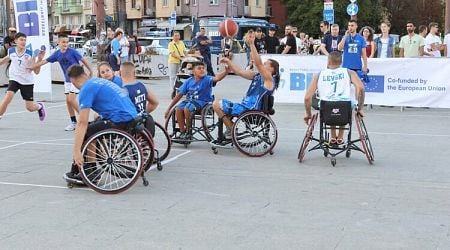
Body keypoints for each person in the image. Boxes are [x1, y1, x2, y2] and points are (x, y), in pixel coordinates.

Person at [64, 65, 138, 182]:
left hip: (120, 119)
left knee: (86, 132)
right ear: (85, 74)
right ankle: (82, 168)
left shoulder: (86, 89)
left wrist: (77, 151)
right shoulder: (96, 81)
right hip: (132, 116)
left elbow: (82, 123)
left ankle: (90, 172)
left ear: (72, 80)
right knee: (93, 126)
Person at [213, 31, 280, 139]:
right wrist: (228, 62)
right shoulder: (257, 76)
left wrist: (252, 44)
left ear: (272, 69)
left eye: (265, 64)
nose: (262, 65)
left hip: (250, 110)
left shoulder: (270, 79)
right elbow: (239, 72)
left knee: (216, 104)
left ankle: (232, 129)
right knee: (223, 107)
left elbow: (258, 63)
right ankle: (231, 128)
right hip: (245, 108)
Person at [29, 34, 94, 131]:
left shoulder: (72, 52)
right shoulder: (57, 54)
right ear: (58, 43)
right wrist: (32, 67)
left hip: (77, 78)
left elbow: (83, 60)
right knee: (68, 101)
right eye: (63, 42)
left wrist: (91, 71)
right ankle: (73, 122)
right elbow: (44, 62)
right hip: (67, 80)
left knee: (71, 99)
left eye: (67, 42)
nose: (66, 44)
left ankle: (85, 120)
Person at [303, 51, 365, 145]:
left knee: (330, 105)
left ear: (328, 61)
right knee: (345, 105)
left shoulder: (319, 75)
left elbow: (307, 98)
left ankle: (333, 136)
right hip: (344, 107)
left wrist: (308, 114)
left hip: (326, 107)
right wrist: (360, 108)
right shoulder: (349, 72)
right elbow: (360, 88)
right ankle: (340, 137)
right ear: (341, 62)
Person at [164, 61, 228, 140]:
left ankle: (188, 131)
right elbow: (179, 95)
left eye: (203, 68)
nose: (202, 70)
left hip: (203, 103)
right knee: (178, 108)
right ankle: (182, 131)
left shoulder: (207, 79)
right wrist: (168, 109)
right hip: (190, 101)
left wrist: (226, 71)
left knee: (187, 107)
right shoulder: (189, 81)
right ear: (193, 71)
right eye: (199, 68)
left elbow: (217, 78)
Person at [0, 32, 46, 122]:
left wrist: (40, 59)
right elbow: (3, 60)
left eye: (25, 40)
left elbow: (36, 72)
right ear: (16, 41)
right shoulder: (11, 51)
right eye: (21, 39)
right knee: (7, 97)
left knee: (30, 107)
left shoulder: (29, 54)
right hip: (14, 79)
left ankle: (40, 106)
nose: (23, 42)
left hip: (27, 81)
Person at [121, 62, 159, 136]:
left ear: (120, 73)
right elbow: (155, 102)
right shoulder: (141, 85)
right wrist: (143, 112)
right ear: (134, 72)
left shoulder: (123, 89)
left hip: (130, 123)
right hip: (141, 119)